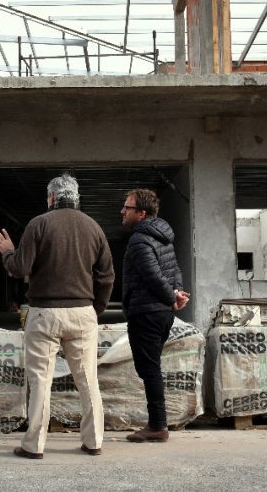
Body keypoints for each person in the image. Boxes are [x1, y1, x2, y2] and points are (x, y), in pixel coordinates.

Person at [0, 172, 114, 459]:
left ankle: (34, 445)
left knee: (41, 380)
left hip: (44, 313)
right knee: (87, 379)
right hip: (82, 313)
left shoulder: (39, 224)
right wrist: (94, 310)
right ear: (76, 197)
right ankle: (94, 441)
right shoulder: (93, 227)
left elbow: (20, 268)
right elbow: (107, 275)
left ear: (51, 198)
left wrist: (9, 252)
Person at [119, 188, 189, 444]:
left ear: (142, 213)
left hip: (146, 311)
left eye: (127, 208)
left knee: (149, 369)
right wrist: (176, 294)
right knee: (151, 368)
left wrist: (173, 296)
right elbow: (174, 270)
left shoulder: (140, 239)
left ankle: (158, 425)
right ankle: (156, 423)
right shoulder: (163, 236)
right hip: (161, 313)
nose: (122, 211)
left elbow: (152, 275)